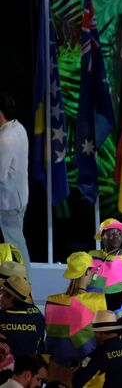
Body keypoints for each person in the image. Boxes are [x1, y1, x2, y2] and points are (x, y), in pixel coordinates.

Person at [44, 252, 107, 387]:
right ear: (86, 272)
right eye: (92, 271)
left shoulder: (52, 301)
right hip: (87, 376)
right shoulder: (98, 301)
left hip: (57, 373)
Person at [0, 94, 30, 275]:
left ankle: (25, 286)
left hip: (8, 203)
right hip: (19, 197)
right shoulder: (19, 128)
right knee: (16, 243)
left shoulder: (5, 139)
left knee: (17, 245)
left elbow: (0, 174)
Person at [73, 310, 122, 388]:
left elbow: (78, 382)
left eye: (95, 332)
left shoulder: (98, 354)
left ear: (100, 333)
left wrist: (78, 371)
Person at [0, 275, 44, 358]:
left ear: (11, 298)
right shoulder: (37, 314)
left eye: (3, 294)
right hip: (34, 367)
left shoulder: (2, 317)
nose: (1, 298)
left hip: (8, 368)